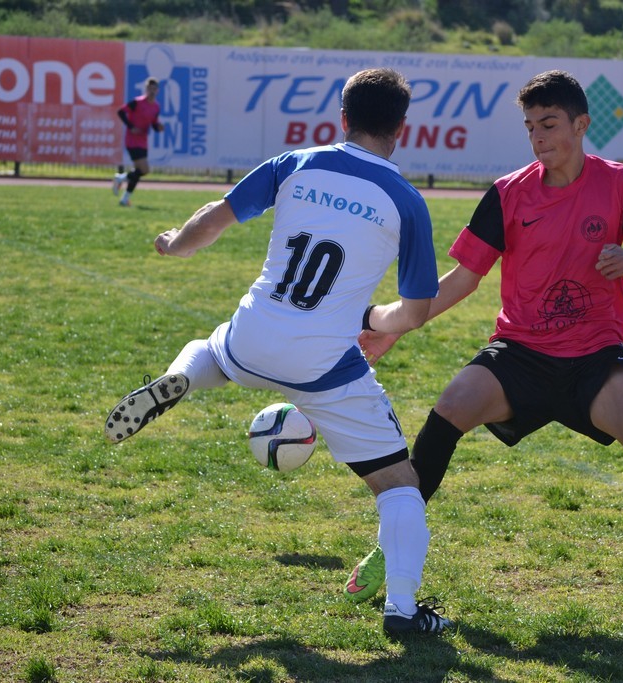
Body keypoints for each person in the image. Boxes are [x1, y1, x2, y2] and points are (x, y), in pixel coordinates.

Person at [103, 68, 452, 637]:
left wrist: (175, 245)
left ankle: (181, 377)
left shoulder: (297, 163)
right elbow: (412, 314)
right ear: (401, 128)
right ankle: (403, 610)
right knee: (399, 487)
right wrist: (368, 317)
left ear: (343, 118)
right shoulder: (407, 202)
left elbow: (214, 216)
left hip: (253, 335)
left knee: (208, 349)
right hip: (324, 366)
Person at [347, 70, 623, 629]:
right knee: (449, 408)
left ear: (581, 124)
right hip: (520, 351)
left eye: (549, 124)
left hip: (595, 354)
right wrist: (396, 326)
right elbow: (463, 278)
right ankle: (390, 550)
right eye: (530, 127)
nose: (538, 137)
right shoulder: (508, 192)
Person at [113, 76, 164, 207]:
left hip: (143, 140)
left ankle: (124, 197)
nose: (152, 91)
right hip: (132, 140)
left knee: (139, 171)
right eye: (150, 88)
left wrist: (158, 127)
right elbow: (121, 112)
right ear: (146, 89)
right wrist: (131, 127)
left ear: (157, 90)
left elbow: (154, 124)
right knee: (144, 169)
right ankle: (121, 179)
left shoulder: (156, 107)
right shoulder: (137, 102)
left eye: (154, 89)